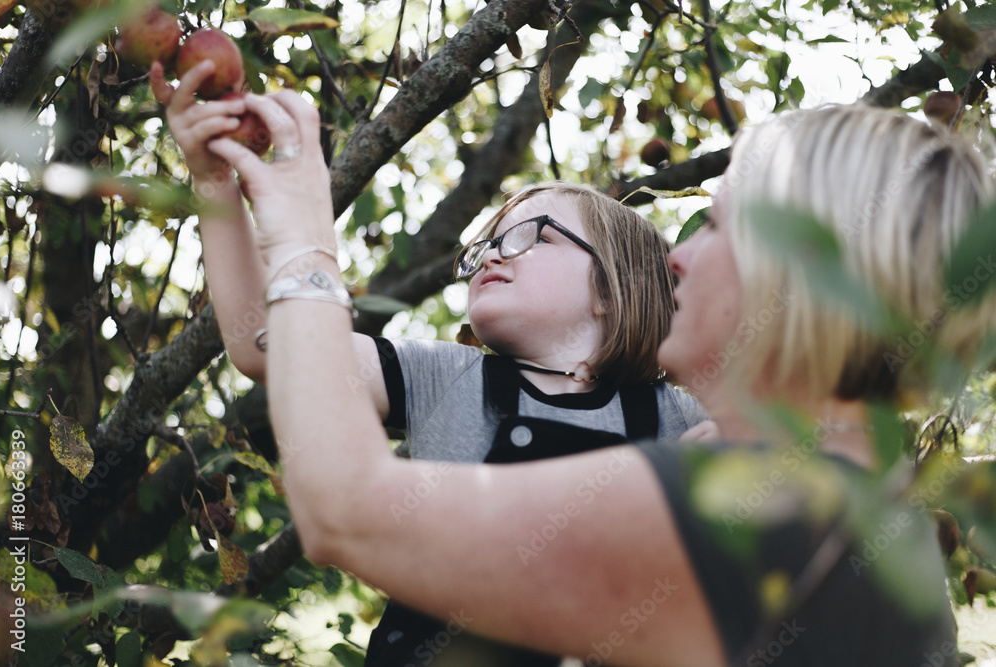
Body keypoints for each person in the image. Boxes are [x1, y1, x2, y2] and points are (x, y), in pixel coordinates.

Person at [201, 97, 996, 665]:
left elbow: (345, 510)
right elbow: (260, 349)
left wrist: (304, 239)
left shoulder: (752, 509)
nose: (675, 254)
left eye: (717, 223)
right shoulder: (851, 517)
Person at [150, 62, 711, 665]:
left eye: (536, 235)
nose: (497, 250)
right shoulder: (446, 375)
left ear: (613, 290)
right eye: (491, 241)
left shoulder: (676, 417)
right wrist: (213, 181)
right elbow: (265, 340)